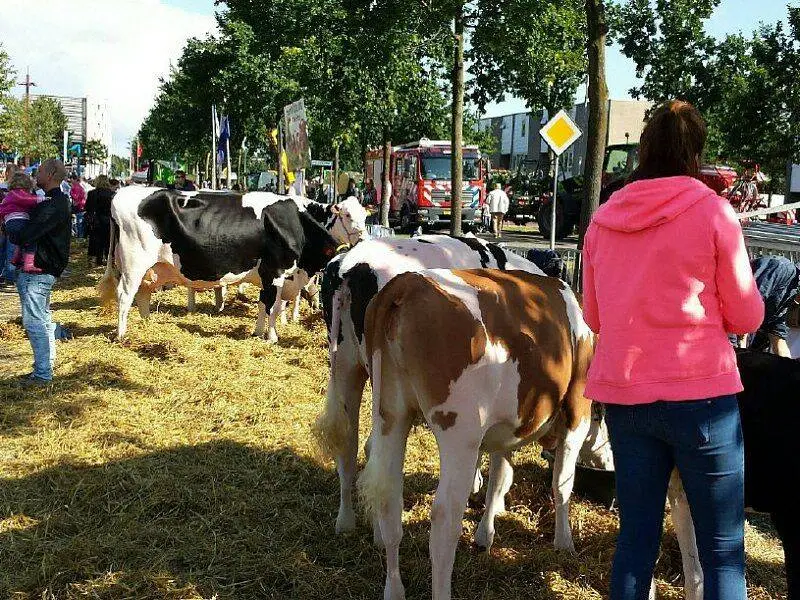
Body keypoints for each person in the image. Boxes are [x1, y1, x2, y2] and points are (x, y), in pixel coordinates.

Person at [581, 100, 764, 600]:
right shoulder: (713, 211)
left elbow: (593, 317)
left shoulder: (603, 219)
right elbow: (748, 316)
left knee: (635, 543)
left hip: (625, 395)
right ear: (695, 152)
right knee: (722, 549)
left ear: (643, 149)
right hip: (702, 395)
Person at [13, 158, 72, 385]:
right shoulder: (55, 201)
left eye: (39, 171)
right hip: (43, 269)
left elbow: (28, 233)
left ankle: (42, 374)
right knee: (43, 319)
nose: (35, 175)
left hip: (39, 270)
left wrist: (13, 229)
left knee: (34, 321)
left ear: (50, 174)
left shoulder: (52, 204)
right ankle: (45, 368)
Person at [737, 255, 800, 357]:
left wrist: (791, 368)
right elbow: (746, 304)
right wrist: (741, 349)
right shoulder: (782, 268)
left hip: (742, 341)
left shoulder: (790, 298)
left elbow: (778, 339)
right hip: (726, 329)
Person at [0, 171, 45, 274]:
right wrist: (43, 199)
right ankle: (29, 264)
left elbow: (2, 210)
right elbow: (28, 200)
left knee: (21, 241)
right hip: (19, 221)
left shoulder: (8, 196)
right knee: (32, 240)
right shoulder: (19, 193)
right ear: (26, 183)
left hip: (9, 223)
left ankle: (17, 258)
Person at [85, 174, 115, 267]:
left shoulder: (92, 193)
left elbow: (88, 208)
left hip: (96, 221)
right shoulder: (112, 194)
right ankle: (110, 260)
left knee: (94, 242)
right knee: (109, 242)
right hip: (109, 221)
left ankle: (94, 261)